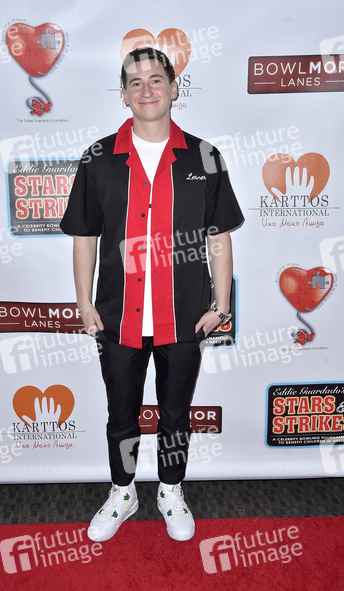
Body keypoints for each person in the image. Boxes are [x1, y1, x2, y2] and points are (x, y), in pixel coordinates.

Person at [60, 47, 243, 543]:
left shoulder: (204, 156)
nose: (147, 90)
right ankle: (123, 491)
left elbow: (218, 236)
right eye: (135, 82)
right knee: (120, 415)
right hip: (117, 318)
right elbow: (84, 236)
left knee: (175, 415)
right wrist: (84, 303)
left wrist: (221, 304)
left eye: (156, 79)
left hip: (184, 317)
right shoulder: (98, 157)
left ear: (174, 89)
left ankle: (170, 488)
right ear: (123, 94)